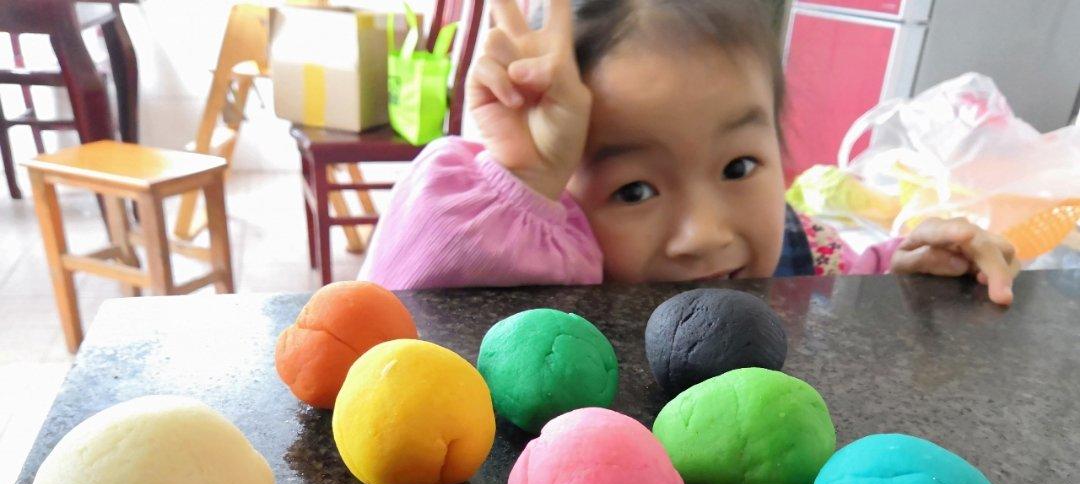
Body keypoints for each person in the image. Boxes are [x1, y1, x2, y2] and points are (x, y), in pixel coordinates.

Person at [360, 0, 1020, 305]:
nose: (703, 234)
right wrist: (523, 178)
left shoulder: (803, 251)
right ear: (564, 197)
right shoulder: (537, 266)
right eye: (635, 190)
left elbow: (843, 287)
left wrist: (905, 269)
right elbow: (402, 309)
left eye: (739, 167)